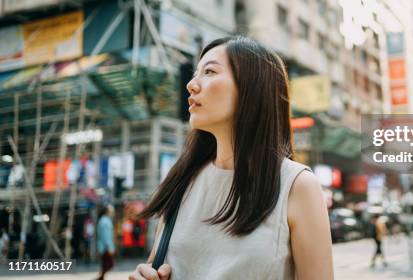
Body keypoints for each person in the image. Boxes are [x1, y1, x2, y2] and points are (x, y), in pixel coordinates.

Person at [129, 36, 333, 280]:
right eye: (196, 73)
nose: (192, 85)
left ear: (252, 88)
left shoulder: (297, 185)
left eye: (210, 71)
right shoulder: (181, 183)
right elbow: (156, 266)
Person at [96, 205, 115, 280]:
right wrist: (109, 247)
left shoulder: (103, 220)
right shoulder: (105, 221)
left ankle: (101, 277)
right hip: (105, 247)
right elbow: (106, 236)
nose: (112, 213)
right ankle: (100, 277)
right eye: (111, 211)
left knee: (105, 264)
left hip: (103, 246)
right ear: (107, 212)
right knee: (110, 264)